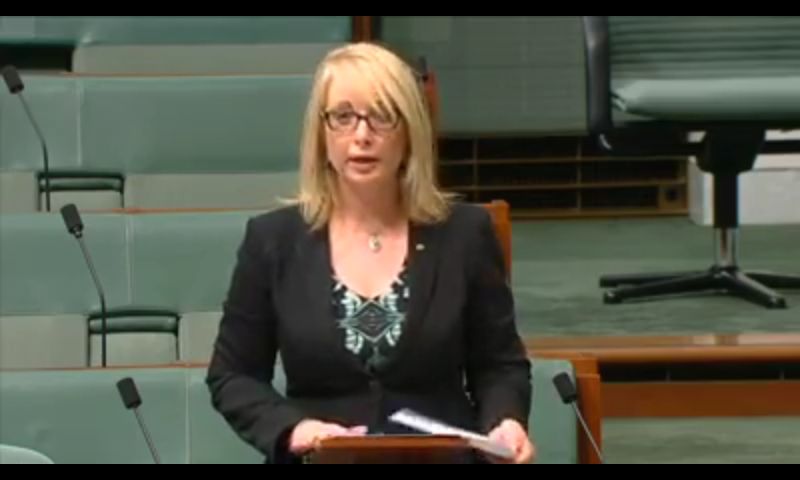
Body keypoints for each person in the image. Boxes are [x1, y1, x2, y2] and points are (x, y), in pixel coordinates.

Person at [206, 42, 534, 464]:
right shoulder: (273, 240)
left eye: (381, 116)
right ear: (322, 134)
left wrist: (505, 421)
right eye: (343, 117)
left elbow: (500, 365)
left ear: (409, 131)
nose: (361, 135)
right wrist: (295, 429)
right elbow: (233, 375)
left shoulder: (465, 235)